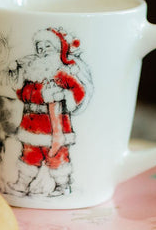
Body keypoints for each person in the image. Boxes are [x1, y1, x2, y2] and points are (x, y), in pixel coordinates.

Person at [5, 27, 92, 197]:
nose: (43, 51)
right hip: (31, 128)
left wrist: (64, 95)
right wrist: (39, 95)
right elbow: (24, 94)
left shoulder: (61, 75)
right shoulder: (33, 75)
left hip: (56, 128)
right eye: (39, 48)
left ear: (57, 50)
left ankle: (62, 185)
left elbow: (78, 91)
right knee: (29, 156)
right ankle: (21, 184)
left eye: (47, 47)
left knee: (57, 157)